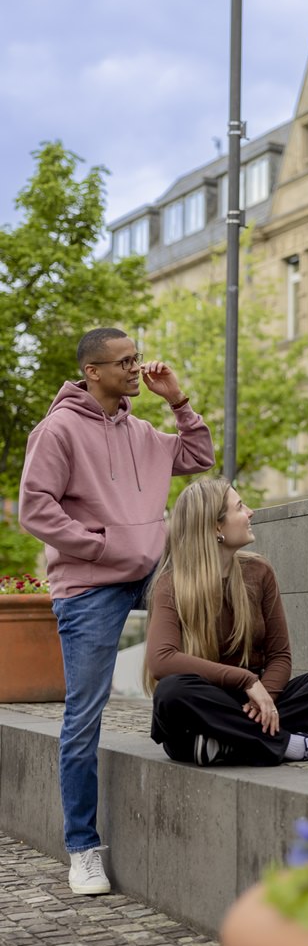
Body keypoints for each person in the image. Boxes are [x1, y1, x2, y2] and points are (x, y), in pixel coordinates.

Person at [19, 328, 215, 895]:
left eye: (136, 357)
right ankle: (82, 848)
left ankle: (223, 733)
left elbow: (197, 456)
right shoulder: (57, 431)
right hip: (90, 584)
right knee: (84, 714)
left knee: (214, 615)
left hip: (149, 572)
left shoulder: (144, 432)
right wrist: (103, 546)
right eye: (124, 362)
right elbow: (35, 509)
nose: (136, 368)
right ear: (92, 372)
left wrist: (177, 400)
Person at [145, 476, 308, 769]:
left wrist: (265, 697)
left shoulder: (258, 571)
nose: (250, 512)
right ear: (217, 526)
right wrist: (247, 680)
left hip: (252, 703)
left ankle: (228, 742)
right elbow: (161, 661)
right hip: (202, 704)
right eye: (240, 507)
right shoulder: (171, 583)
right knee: (171, 693)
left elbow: (279, 655)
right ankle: (294, 745)